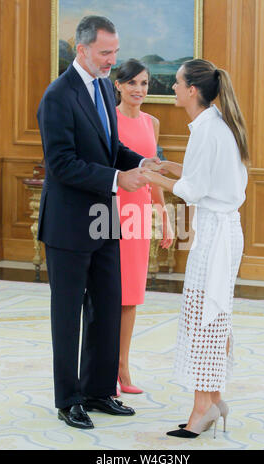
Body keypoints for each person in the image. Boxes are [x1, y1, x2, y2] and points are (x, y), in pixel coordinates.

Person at [37, 15, 162, 430]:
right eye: (105, 52)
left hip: (104, 218)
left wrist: (141, 162)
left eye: (115, 51)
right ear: (83, 49)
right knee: (68, 314)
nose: (113, 60)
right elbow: (62, 164)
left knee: (107, 306)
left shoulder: (104, 89)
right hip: (69, 223)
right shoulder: (57, 96)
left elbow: (112, 147)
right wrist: (115, 178)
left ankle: (97, 391)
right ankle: (68, 398)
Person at [143, 59, 249, 439]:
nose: (172, 87)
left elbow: (193, 190)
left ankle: (202, 407)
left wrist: (147, 176)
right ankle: (213, 399)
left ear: (192, 91)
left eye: (176, 83)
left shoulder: (208, 130)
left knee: (205, 317)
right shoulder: (214, 125)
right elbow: (199, 175)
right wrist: (166, 166)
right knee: (210, 315)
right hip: (219, 231)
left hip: (216, 235)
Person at [114, 59, 174, 395]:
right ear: (118, 85)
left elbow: (153, 177)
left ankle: (123, 366)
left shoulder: (153, 122)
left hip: (139, 216)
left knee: (131, 295)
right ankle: (104, 367)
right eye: (132, 83)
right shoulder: (109, 119)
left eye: (144, 83)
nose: (139, 89)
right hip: (109, 212)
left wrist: (164, 217)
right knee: (110, 291)